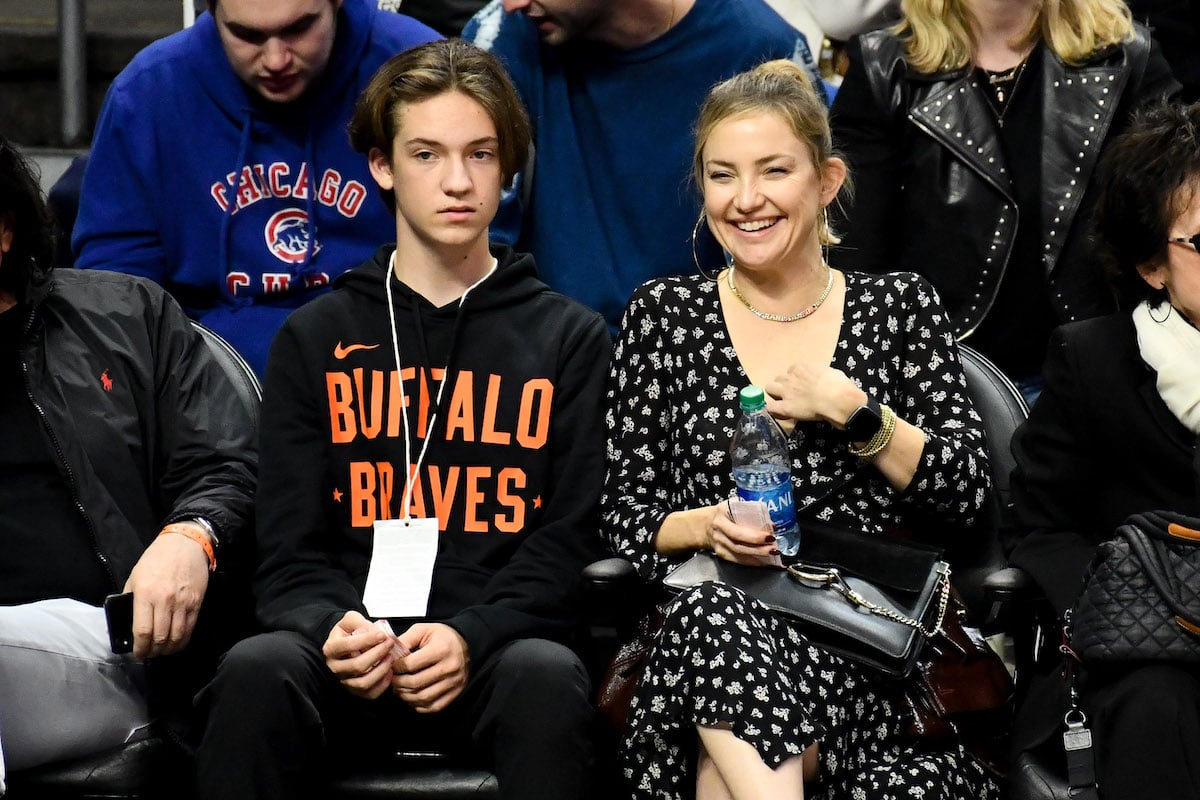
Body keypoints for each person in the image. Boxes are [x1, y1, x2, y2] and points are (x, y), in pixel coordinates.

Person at [194, 39, 611, 800]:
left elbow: (571, 539)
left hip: (498, 649)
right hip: (349, 651)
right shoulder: (315, 337)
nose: (458, 181)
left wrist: (471, 634)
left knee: (547, 675)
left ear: (507, 169)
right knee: (257, 669)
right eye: (427, 155)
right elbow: (287, 549)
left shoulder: (569, 338)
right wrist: (331, 625)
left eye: (481, 154)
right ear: (382, 166)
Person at [602, 60, 997, 799]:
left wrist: (857, 414)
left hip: (866, 658)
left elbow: (966, 497)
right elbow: (626, 516)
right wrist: (708, 526)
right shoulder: (662, 316)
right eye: (722, 176)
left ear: (826, 181)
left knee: (723, 765)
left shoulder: (899, 308)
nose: (745, 199)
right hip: (709, 636)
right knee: (713, 619)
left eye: (774, 171)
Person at [0, 137, 256, 784]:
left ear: (3, 230)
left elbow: (226, 460)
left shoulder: (125, 317)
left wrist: (192, 533)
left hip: (113, 645)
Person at [829, 0, 1179, 397]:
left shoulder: (1127, 56)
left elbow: (1174, 217)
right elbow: (859, 262)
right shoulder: (883, 65)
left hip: (1095, 373)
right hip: (939, 378)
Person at [72, 0, 439, 376]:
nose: (276, 60)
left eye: (298, 29)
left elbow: (464, 255)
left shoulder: (418, 74)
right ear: (211, 10)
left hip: (392, 366)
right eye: (247, 35)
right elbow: (117, 284)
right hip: (206, 378)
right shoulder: (148, 91)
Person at [1006, 101, 1200, 800]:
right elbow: (1040, 527)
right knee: (1159, 703)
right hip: (1144, 654)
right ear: (1152, 264)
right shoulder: (1093, 360)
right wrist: (1122, 605)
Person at [464, 0, 824, 333]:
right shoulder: (502, 36)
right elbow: (472, 260)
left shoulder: (764, 50)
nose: (513, 3)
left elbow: (808, 280)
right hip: (542, 351)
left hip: (710, 355)